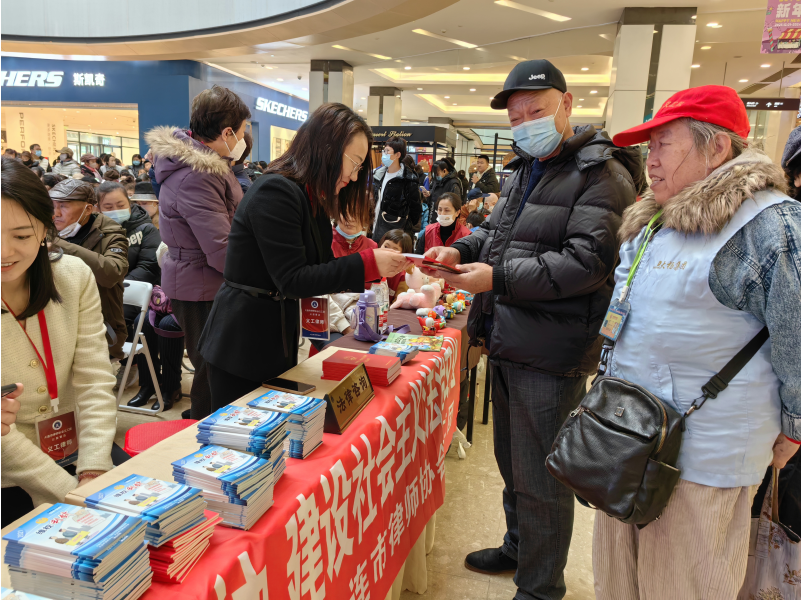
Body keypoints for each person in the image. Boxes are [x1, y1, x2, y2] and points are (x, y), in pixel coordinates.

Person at [424, 59, 642, 600]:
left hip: (551, 350)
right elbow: (493, 236)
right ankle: (519, 546)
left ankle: (541, 586)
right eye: (517, 117)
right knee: (511, 462)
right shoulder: (524, 169)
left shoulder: (601, 174)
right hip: (507, 337)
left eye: (536, 112)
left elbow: (585, 263)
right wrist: (459, 249)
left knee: (543, 477)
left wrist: (495, 278)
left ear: (568, 105)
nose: (525, 125)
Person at [590, 85, 801, 599]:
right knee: (619, 583)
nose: (650, 161)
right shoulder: (653, 221)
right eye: (648, 148)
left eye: (663, 144)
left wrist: (794, 425)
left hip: (703, 462)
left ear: (716, 149)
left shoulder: (770, 226)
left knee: (687, 584)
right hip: (625, 444)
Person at [197, 102, 410, 409]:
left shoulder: (312, 197)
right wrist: (367, 263)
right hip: (241, 340)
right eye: (354, 162)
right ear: (326, 148)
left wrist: (372, 264)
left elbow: (319, 269)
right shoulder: (277, 191)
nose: (352, 176)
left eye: (360, 167)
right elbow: (293, 279)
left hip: (276, 334)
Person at [1, 158, 128, 527]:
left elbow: (93, 378)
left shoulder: (72, 277)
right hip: (10, 475)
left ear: (45, 228)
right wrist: (67, 491)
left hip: (83, 448)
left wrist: (93, 468)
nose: (5, 252)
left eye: (22, 236)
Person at [145, 84, 248, 420]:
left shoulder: (210, 167)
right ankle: (205, 440)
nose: (245, 140)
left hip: (205, 281)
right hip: (202, 286)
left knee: (214, 366)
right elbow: (220, 247)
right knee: (211, 370)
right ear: (228, 131)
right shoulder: (197, 176)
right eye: (244, 131)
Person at [49, 179, 129, 360]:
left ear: (88, 209)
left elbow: (112, 273)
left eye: (64, 206)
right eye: (52, 205)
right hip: (56, 322)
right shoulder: (47, 229)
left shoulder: (111, 233)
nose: (56, 213)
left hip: (100, 328)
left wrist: (58, 246)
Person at [126, 244, 184, 412]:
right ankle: (148, 384)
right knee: (141, 321)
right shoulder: (169, 230)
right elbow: (161, 257)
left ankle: (171, 387)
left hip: (191, 299)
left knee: (168, 325)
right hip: (166, 297)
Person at [371, 136, 422, 242]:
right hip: (374, 230)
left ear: (397, 155)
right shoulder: (378, 175)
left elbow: (415, 211)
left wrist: (404, 227)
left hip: (394, 235)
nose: (383, 154)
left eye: (387, 151)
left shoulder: (408, 179)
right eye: (384, 150)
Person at [423, 159, 462, 227]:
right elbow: (434, 192)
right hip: (433, 214)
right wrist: (429, 194)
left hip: (445, 217)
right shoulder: (436, 181)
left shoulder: (453, 183)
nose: (435, 175)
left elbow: (456, 202)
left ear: (444, 170)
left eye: (437, 173)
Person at [378, 229, 413, 298]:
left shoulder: (402, 275)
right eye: (386, 246)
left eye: (394, 250)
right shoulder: (371, 264)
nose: (388, 251)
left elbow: (399, 301)